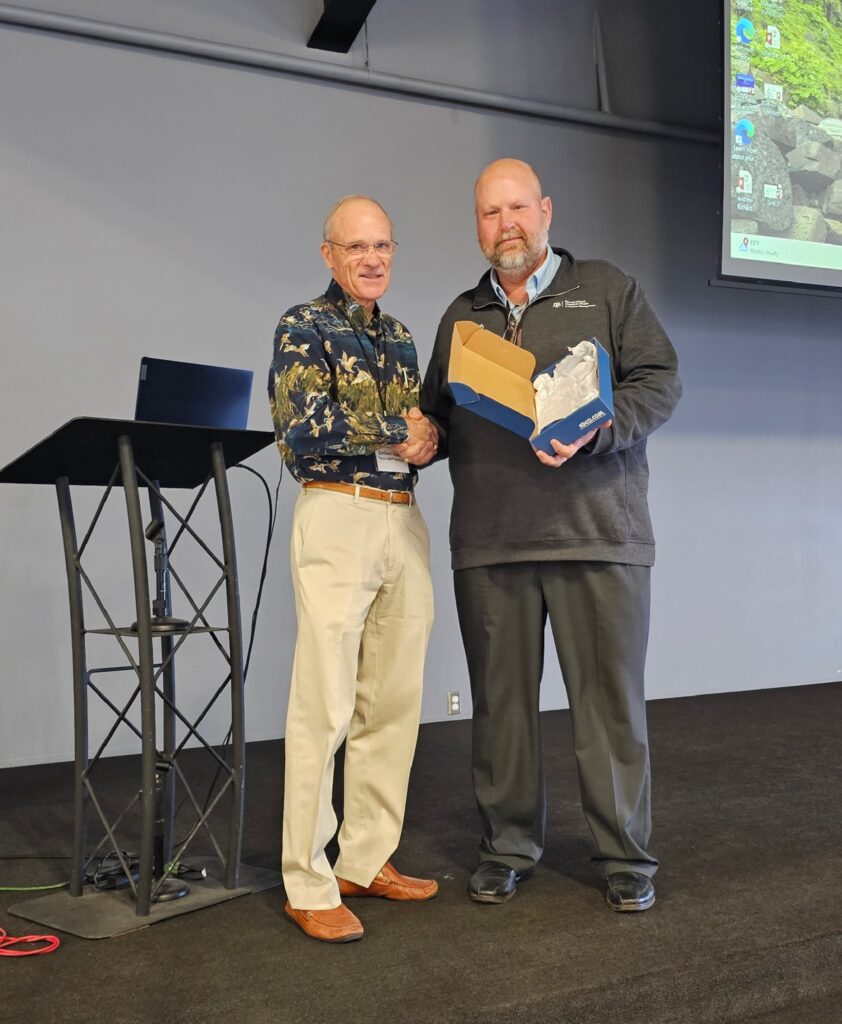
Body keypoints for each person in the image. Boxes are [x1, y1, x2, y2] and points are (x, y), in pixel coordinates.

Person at [421, 159, 681, 912]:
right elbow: (441, 419)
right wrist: (421, 435)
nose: (506, 224)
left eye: (517, 209)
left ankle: (625, 855)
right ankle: (506, 847)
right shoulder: (461, 316)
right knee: (500, 712)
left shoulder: (606, 288)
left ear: (546, 211)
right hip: (492, 543)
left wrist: (601, 428)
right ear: (478, 227)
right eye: (490, 213)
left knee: (609, 708)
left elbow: (659, 379)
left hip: (599, 536)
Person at [269, 195, 439, 943]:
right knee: (325, 707)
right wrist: (398, 429)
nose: (371, 259)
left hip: (402, 517)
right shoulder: (303, 325)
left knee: (393, 702)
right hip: (336, 513)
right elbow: (302, 432)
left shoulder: (400, 337)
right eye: (356, 247)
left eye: (383, 247)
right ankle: (306, 881)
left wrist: (427, 440)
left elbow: (417, 436)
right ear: (328, 254)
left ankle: (364, 859)